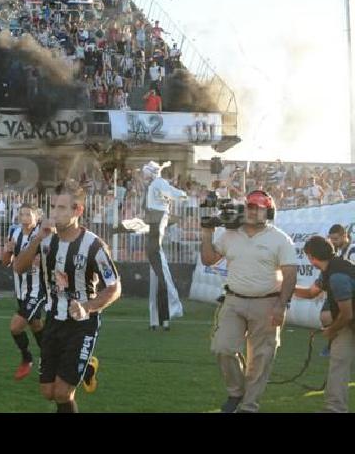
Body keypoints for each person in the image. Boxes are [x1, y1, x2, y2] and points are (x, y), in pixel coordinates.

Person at [13, 180, 122, 413]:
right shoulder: (45, 240)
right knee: (48, 392)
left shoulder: (93, 246)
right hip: (53, 321)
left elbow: (114, 287)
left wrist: (88, 307)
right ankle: (87, 368)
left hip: (82, 325)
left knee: (62, 392)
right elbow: (19, 267)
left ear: (77, 210)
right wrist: (37, 238)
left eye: (62, 208)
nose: (55, 213)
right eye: (53, 207)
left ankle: (83, 365)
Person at [201, 189, 298, 413]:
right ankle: (236, 392)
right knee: (223, 347)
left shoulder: (279, 238)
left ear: (269, 212)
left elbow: (290, 275)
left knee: (261, 358)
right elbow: (208, 259)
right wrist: (207, 233)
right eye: (250, 207)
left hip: (267, 302)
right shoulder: (229, 234)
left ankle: (249, 406)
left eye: (259, 208)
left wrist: (281, 306)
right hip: (234, 300)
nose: (253, 212)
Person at [292, 236, 355, 412]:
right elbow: (312, 292)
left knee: (339, 362)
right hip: (348, 324)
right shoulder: (330, 268)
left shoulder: (337, 277)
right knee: (338, 362)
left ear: (311, 257)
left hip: (347, 320)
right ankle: (334, 409)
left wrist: (331, 330)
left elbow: (347, 313)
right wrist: (287, 287)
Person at [1, 203, 45, 380]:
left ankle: (27, 358)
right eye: (22, 214)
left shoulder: (42, 234)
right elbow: (5, 263)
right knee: (36, 325)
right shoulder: (15, 233)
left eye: (28, 214)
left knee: (15, 327)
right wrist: (8, 250)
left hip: (37, 290)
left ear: (36, 217)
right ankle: (49, 356)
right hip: (21, 291)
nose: (24, 217)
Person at [141, 161, 185, 331]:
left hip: (156, 226)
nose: (143, 175)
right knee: (157, 278)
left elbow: (173, 193)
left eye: (146, 172)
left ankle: (161, 317)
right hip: (154, 226)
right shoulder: (153, 185)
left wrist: (183, 194)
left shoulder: (159, 183)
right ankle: (159, 319)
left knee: (159, 277)